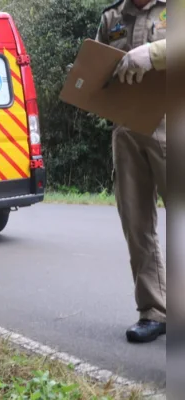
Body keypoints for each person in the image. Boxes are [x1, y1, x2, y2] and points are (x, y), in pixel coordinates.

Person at [94, 0, 166, 343]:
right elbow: (99, 70)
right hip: (126, 129)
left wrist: (153, 53)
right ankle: (153, 311)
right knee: (137, 225)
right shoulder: (112, 16)